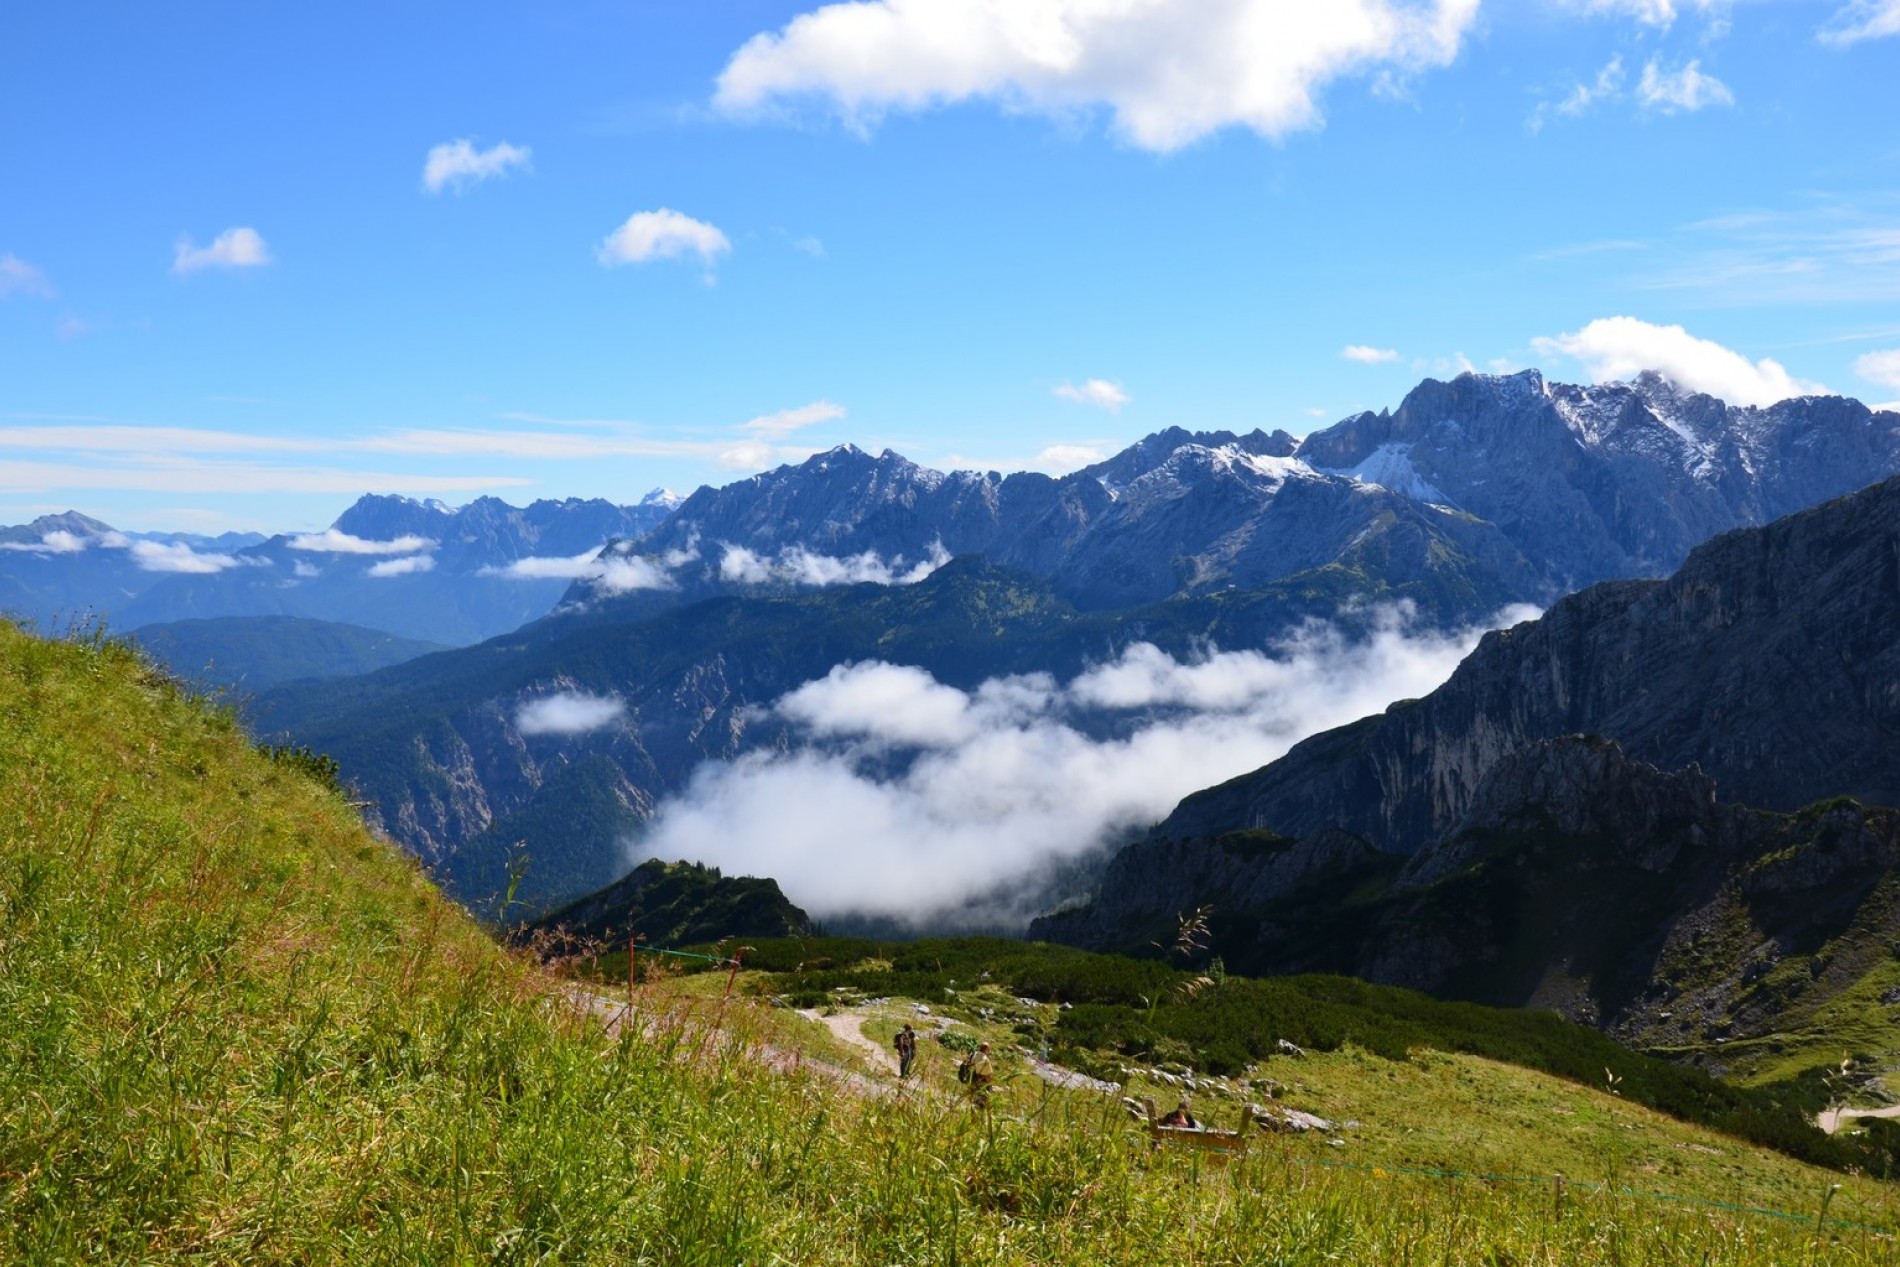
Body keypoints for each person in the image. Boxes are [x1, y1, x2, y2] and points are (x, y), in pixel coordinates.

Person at [967, 1041, 994, 1106]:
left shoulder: (974, 1054)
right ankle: (981, 1105)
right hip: (982, 1079)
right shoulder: (986, 1060)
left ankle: (972, 1104)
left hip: (973, 1076)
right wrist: (990, 1081)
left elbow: (970, 1062)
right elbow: (988, 1074)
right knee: (984, 1094)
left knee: (974, 1093)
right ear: (986, 1049)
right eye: (988, 1049)